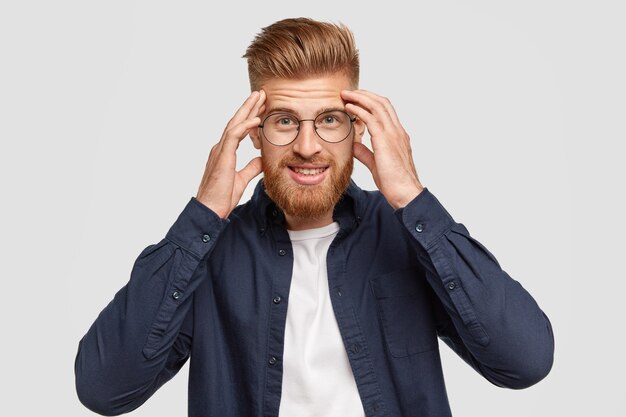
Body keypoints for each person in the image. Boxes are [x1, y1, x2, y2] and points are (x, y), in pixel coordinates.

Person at [75, 17, 554, 417]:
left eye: (329, 119)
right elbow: (104, 389)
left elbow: (525, 361)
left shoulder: (409, 237)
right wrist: (204, 213)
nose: (308, 146)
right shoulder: (209, 254)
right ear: (255, 134)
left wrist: (411, 195)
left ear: (358, 129)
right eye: (285, 120)